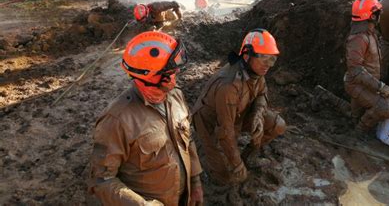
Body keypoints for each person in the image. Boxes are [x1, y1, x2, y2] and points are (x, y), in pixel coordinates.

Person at [89, 31, 204, 205]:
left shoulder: (176, 96)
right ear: (153, 76)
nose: (177, 72)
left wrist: (195, 183)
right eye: (171, 70)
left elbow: (188, 141)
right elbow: (101, 180)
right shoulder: (118, 119)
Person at [192, 29, 286, 186]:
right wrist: (236, 164)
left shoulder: (257, 70)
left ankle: (248, 155)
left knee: (278, 125)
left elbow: (262, 94)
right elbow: (225, 131)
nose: (268, 65)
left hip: (237, 114)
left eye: (272, 59)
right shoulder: (229, 86)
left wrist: (257, 114)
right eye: (263, 58)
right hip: (211, 123)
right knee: (227, 178)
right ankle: (203, 149)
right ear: (246, 55)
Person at [344, 0, 389, 136]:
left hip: (365, 83)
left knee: (356, 113)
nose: (380, 15)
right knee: (386, 107)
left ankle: (355, 118)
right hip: (357, 84)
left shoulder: (369, 32)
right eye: (378, 13)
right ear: (372, 16)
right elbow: (355, 70)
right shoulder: (359, 38)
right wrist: (380, 87)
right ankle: (359, 132)